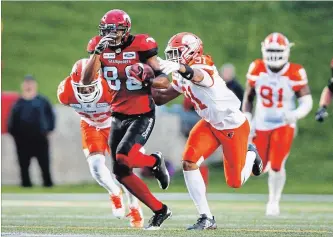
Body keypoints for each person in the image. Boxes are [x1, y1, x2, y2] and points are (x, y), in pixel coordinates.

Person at [152, 32, 263, 230]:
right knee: (189, 161)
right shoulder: (180, 71)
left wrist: (180, 67)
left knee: (235, 182)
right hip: (209, 123)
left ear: (192, 50)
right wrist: (142, 86)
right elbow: (162, 97)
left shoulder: (202, 63)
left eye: (178, 53)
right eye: (172, 54)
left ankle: (251, 154)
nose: (173, 58)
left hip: (232, 125)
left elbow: (197, 75)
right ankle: (206, 217)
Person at [82, 9, 171, 230]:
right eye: (107, 31)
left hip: (142, 113)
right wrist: (97, 53)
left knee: (124, 157)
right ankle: (161, 209)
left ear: (126, 29)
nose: (112, 35)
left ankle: (153, 162)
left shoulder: (141, 44)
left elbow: (163, 79)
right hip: (118, 115)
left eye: (116, 30)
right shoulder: (99, 47)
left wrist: (148, 77)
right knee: (121, 172)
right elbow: (86, 80)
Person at [57, 58, 144, 228]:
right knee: (96, 165)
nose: (87, 90)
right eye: (82, 88)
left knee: (125, 168)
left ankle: (134, 206)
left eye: (90, 86)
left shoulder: (110, 87)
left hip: (115, 124)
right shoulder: (65, 92)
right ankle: (114, 192)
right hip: (90, 125)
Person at [242, 32, 313, 216]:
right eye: (271, 50)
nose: (274, 54)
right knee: (258, 168)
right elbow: (248, 97)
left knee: (277, 165)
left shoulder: (294, 71)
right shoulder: (257, 67)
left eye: (277, 50)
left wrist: (295, 114)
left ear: (286, 51)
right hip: (262, 124)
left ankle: (273, 201)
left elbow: (307, 101)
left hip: (283, 124)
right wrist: (247, 120)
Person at [8, 75, 55, 187]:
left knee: (44, 163)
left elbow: (51, 116)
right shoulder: (18, 103)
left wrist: (48, 129)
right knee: (23, 164)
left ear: (35, 85)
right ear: (23, 86)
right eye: (26, 83)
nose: (28, 85)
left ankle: (47, 184)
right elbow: (12, 120)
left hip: (40, 138)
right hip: (22, 140)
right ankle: (26, 184)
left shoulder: (42, 101)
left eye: (31, 83)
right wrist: (15, 134)